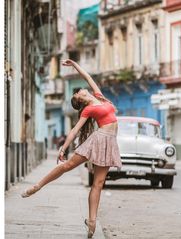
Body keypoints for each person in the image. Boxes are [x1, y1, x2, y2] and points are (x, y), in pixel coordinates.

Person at [21, 59, 122, 238]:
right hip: (99, 140)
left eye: (79, 90)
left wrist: (75, 65)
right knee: (67, 166)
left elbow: (88, 77)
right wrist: (63, 147)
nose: (81, 90)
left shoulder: (99, 97)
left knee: (98, 183)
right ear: (80, 100)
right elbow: (75, 130)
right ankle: (37, 186)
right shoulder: (88, 109)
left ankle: (92, 222)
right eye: (79, 93)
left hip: (110, 142)